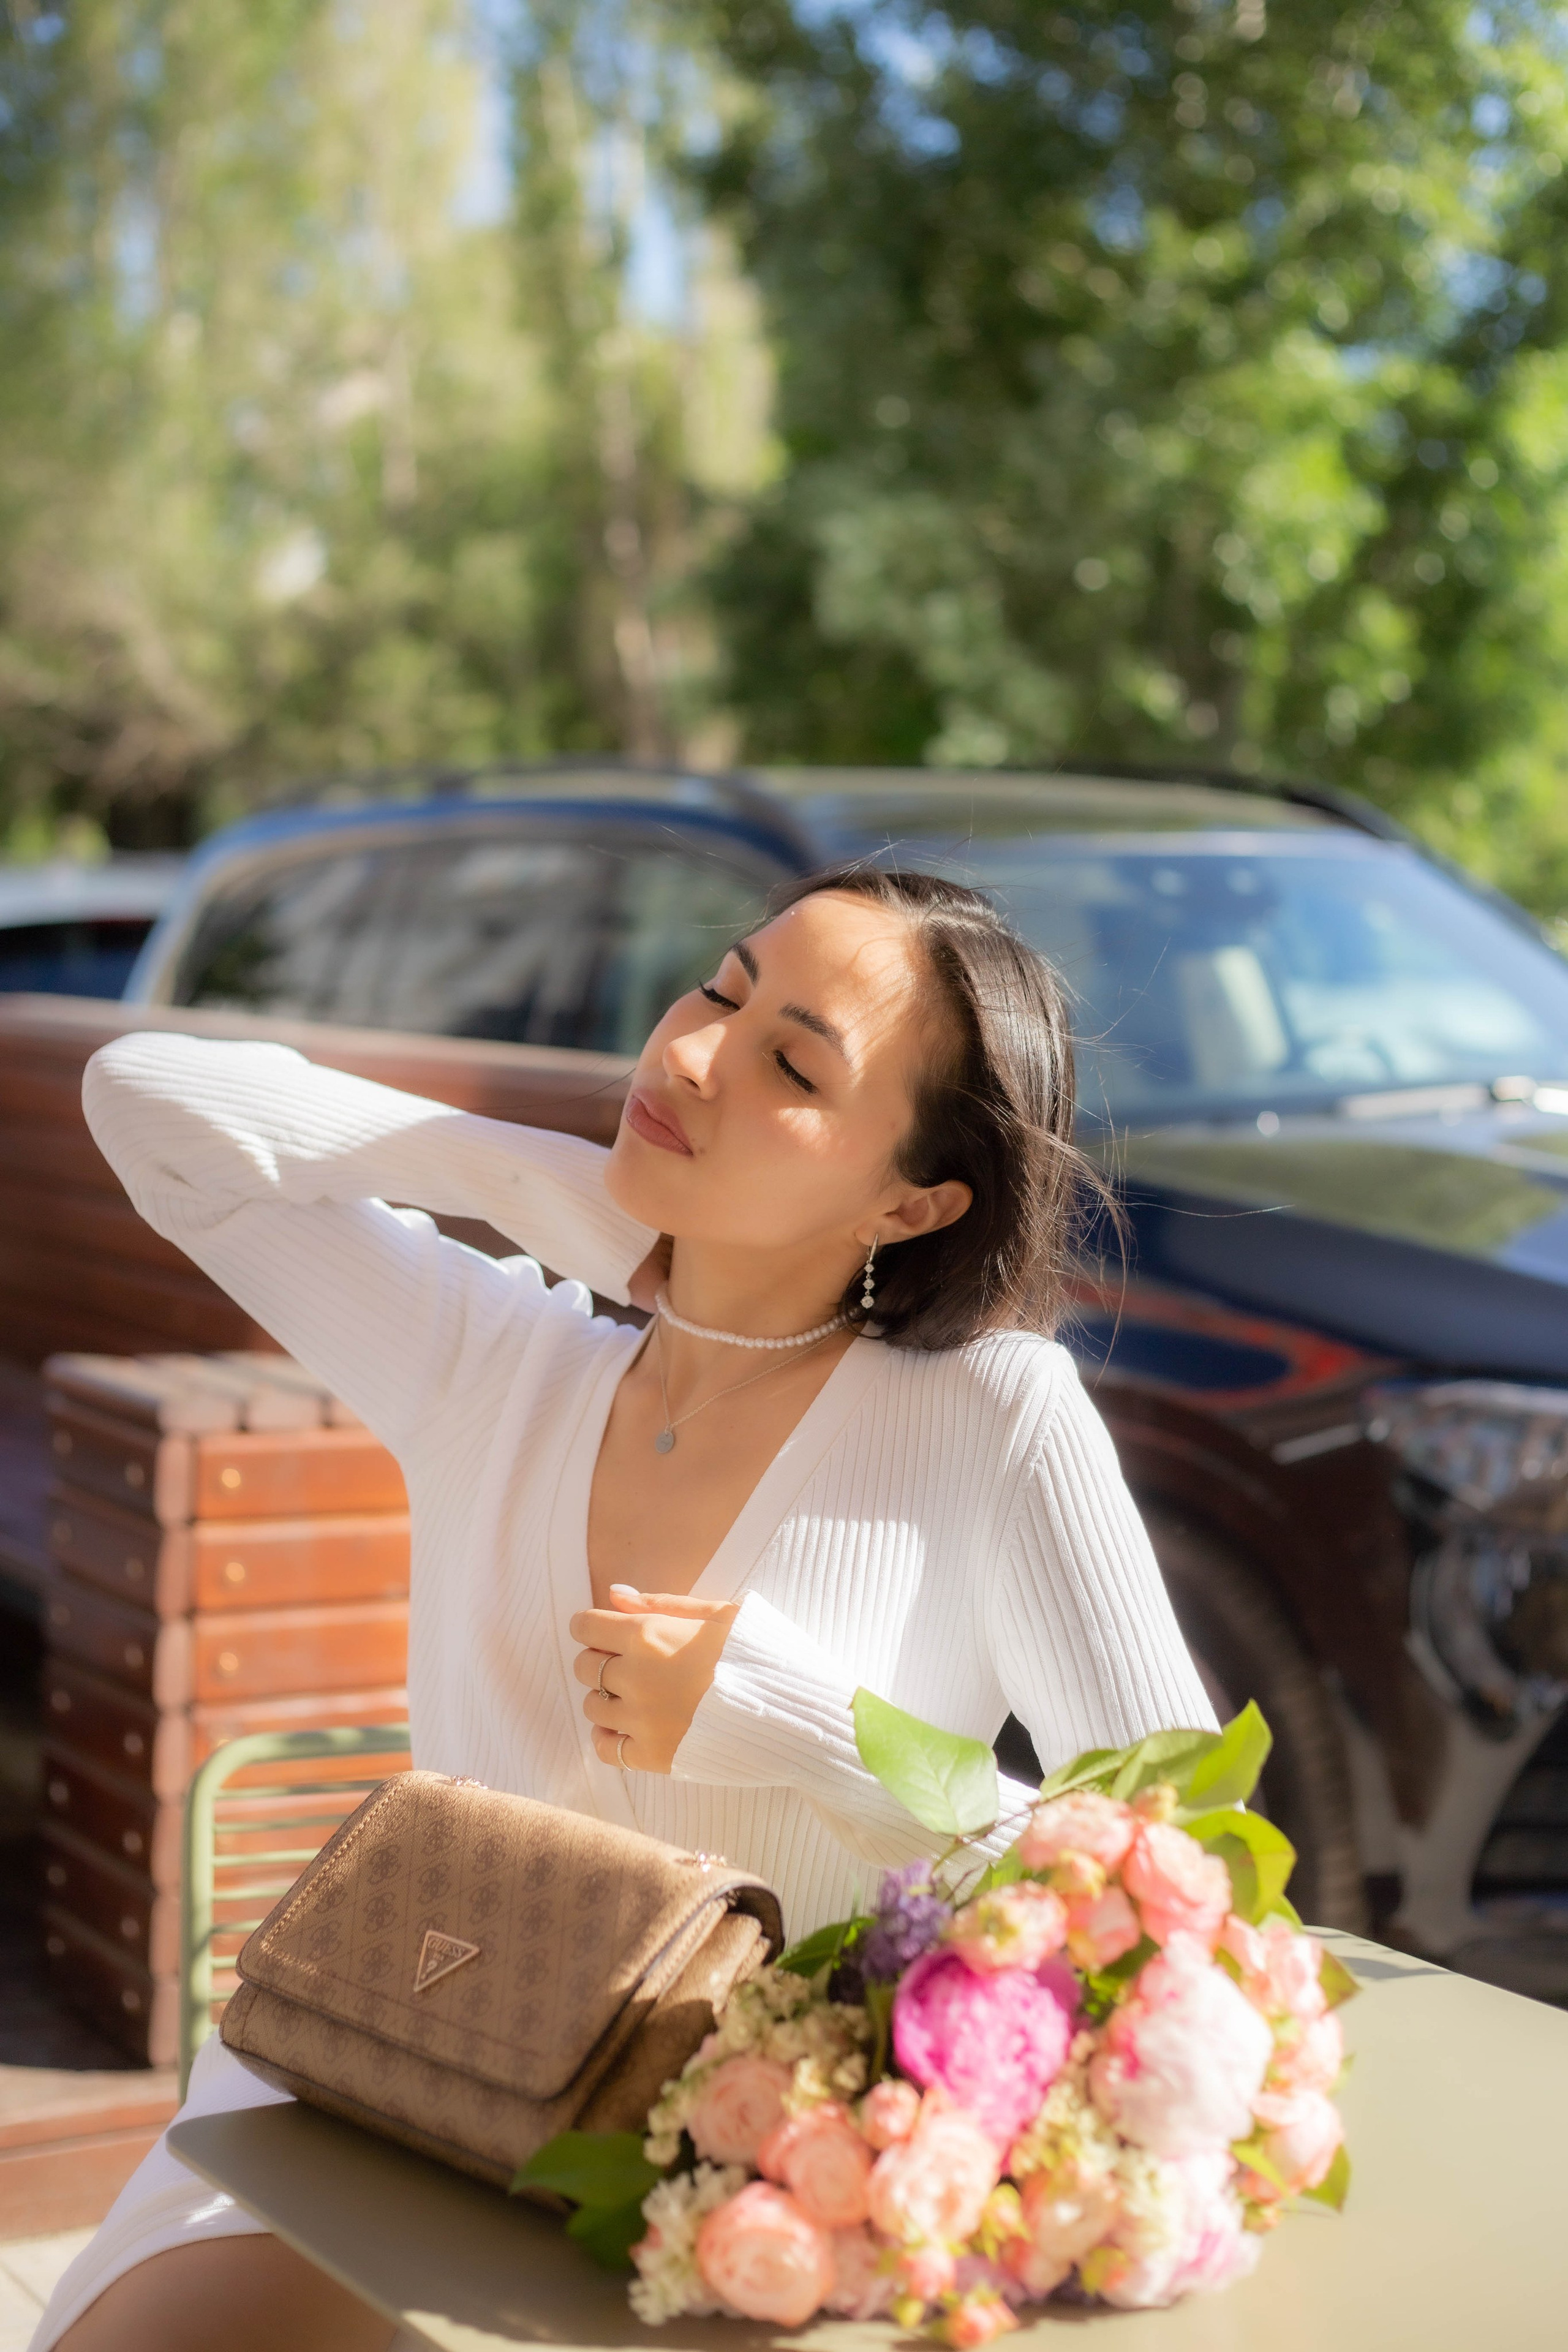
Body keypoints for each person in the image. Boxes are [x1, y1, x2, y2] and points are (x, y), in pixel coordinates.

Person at [35, 867, 1214, 2352]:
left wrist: (808, 1731)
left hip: (729, 2190)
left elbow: (1185, 1881)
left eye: (790, 1062)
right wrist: (542, 1186)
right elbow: (148, 1105)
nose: (695, 1052)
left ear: (910, 1199)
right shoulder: (497, 1360)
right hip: (391, 2076)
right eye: (720, 988)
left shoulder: (990, 1414)